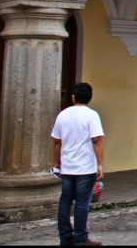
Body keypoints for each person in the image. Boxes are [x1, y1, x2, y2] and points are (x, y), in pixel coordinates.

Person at [51, 82, 105, 247]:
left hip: (67, 166)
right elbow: (96, 140)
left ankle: (65, 237)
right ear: (90, 98)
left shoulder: (63, 114)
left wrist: (57, 162)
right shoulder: (91, 115)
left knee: (65, 202)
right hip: (85, 167)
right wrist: (100, 164)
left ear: (73, 97)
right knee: (82, 203)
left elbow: (56, 142)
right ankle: (81, 238)